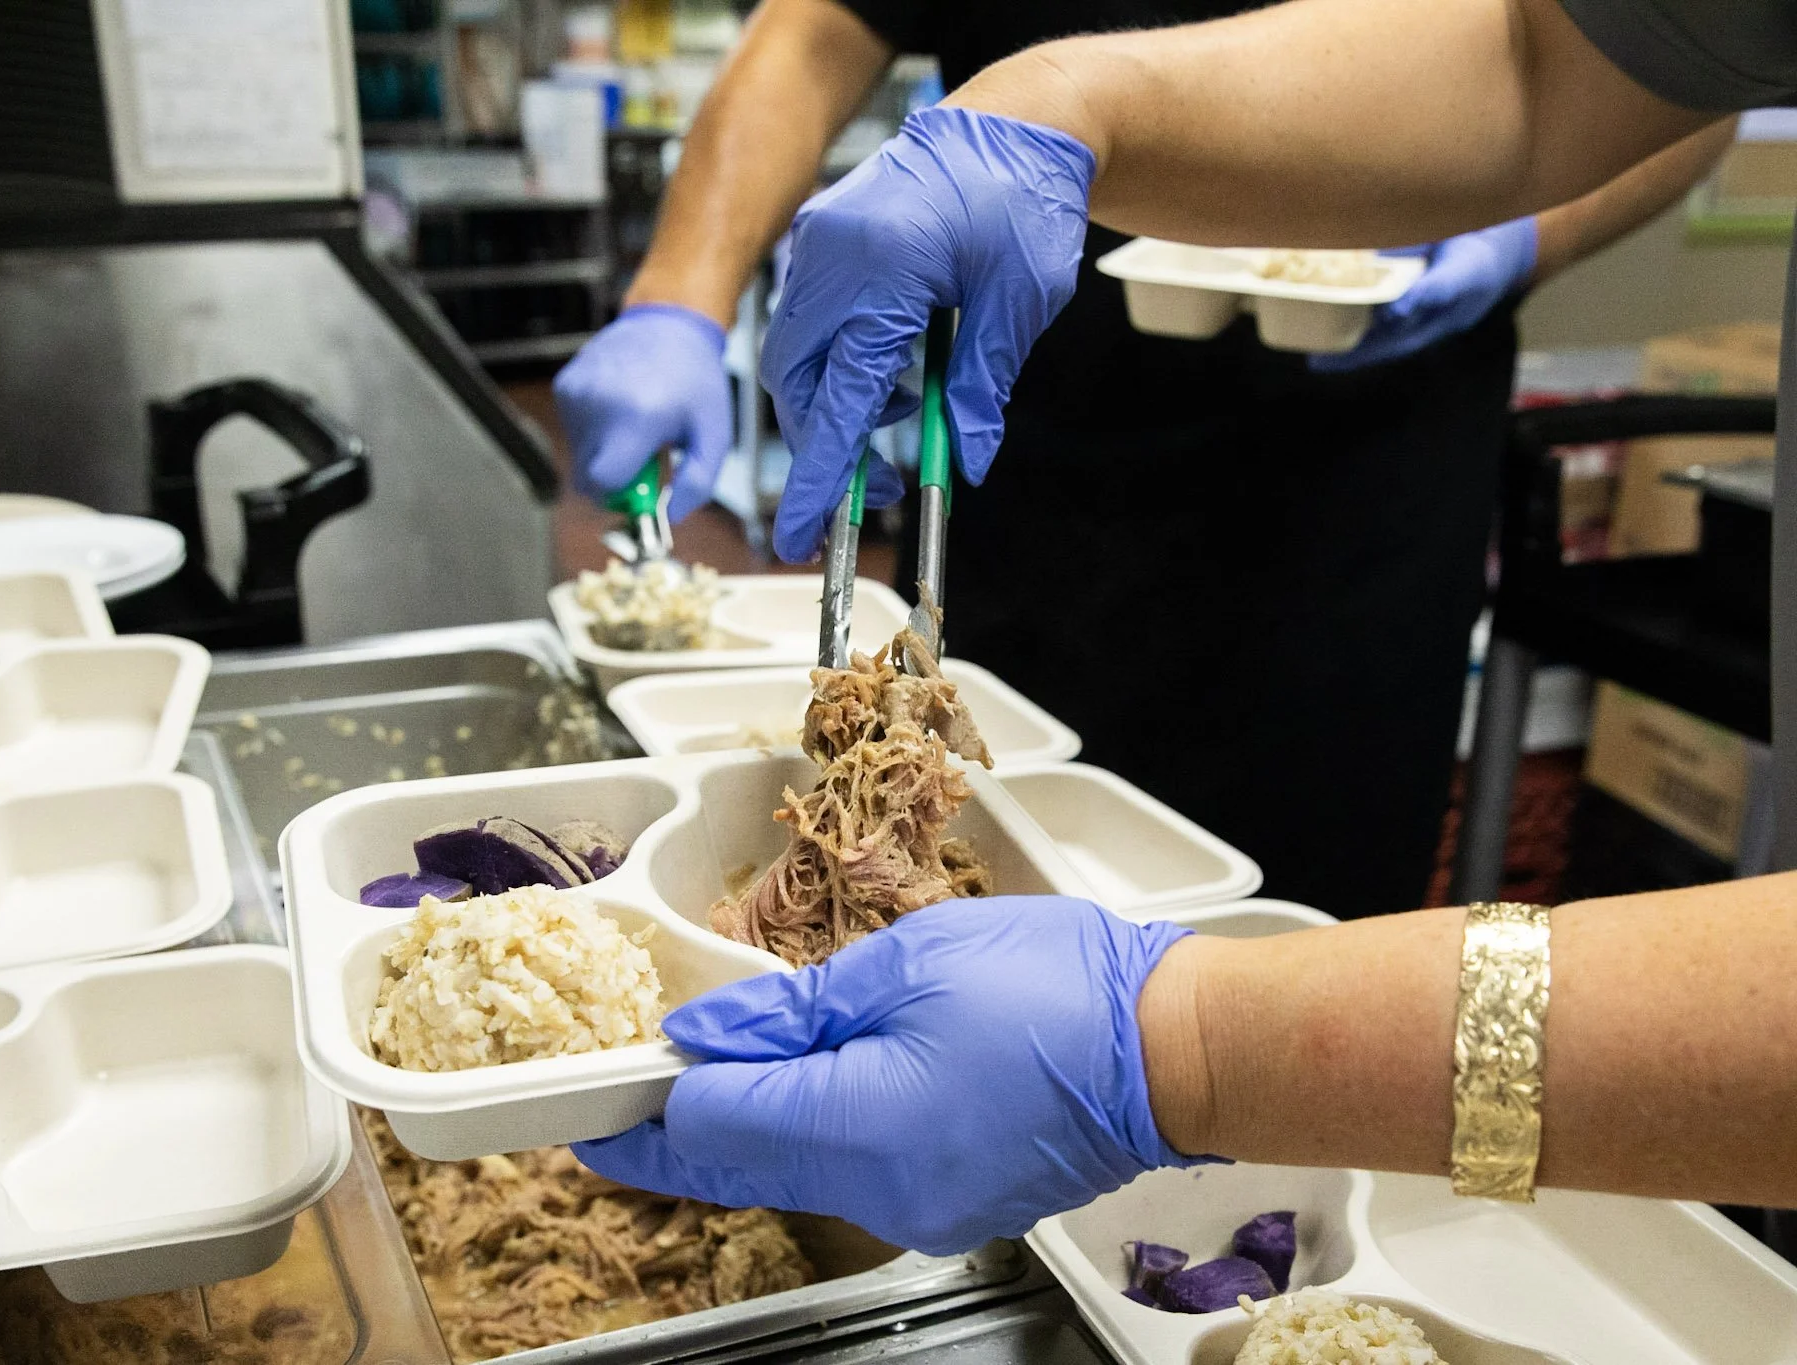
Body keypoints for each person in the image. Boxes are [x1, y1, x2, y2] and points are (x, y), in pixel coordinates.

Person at [571, 0, 1797, 1254]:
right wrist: (1054, 108)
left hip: (1363, 493)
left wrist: (1185, 1049)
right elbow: (1567, 57)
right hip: (1056, 450)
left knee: (1304, 904)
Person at [553, 0, 1734, 921]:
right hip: (1029, 436)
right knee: (967, 842)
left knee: (1305, 895)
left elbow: (1646, 68)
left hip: (1366, 474)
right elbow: (811, 34)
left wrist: (1523, 234)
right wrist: (675, 300)